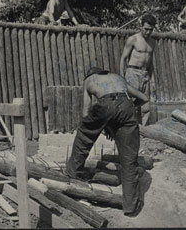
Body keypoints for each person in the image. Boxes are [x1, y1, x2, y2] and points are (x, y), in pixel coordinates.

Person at [66, 67, 149, 217]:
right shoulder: (118, 78)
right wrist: (125, 112)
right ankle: (130, 207)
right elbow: (144, 98)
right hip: (127, 105)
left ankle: (72, 175)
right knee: (129, 159)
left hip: (104, 106)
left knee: (84, 137)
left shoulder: (89, 80)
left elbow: (86, 113)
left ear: (90, 74)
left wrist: (102, 124)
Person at [120, 14, 156, 126]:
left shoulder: (152, 42)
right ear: (141, 26)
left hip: (145, 74)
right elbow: (123, 58)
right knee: (132, 103)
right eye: (146, 29)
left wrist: (153, 79)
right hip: (133, 73)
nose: (148, 32)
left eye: (150, 30)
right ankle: (130, 128)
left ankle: (143, 130)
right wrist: (122, 77)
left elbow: (150, 63)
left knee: (145, 104)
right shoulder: (133, 39)